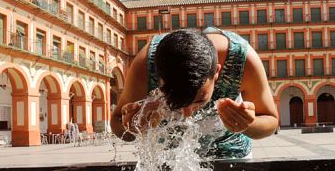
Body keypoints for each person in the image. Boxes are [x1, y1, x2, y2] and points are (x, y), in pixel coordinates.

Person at [110, 28, 279, 158]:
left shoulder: (243, 61)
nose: (187, 114)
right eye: (174, 101)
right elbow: (117, 122)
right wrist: (133, 125)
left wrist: (248, 123)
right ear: (158, 77)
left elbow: (271, 121)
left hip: (231, 155)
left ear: (217, 73)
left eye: (199, 102)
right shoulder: (145, 64)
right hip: (167, 160)